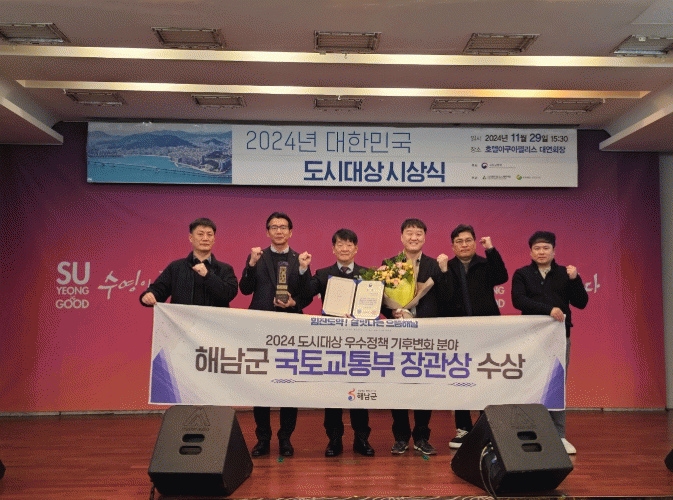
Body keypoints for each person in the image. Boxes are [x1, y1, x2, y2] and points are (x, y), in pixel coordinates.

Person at [239, 212, 312, 457]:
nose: (279, 231)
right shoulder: (257, 257)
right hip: (260, 328)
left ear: (291, 232)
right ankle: (262, 439)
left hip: (289, 329)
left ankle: (285, 439)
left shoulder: (300, 259)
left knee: (287, 385)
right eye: (274, 227)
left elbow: (307, 295)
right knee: (260, 385)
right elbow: (245, 289)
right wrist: (250, 264)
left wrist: (295, 296)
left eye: (283, 227)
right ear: (267, 231)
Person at [511, 231, 588, 455]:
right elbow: (518, 300)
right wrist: (549, 310)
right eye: (537, 248)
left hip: (559, 338)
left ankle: (559, 435)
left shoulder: (565, 273)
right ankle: (530, 431)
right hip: (531, 338)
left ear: (554, 251)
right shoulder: (522, 274)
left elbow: (581, 302)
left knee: (556, 385)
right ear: (530, 252)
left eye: (546, 248)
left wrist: (575, 280)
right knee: (531, 383)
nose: (541, 252)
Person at [302, 228, 375, 457]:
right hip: (332, 342)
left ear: (356, 248)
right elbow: (305, 294)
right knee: (333, 392)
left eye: (349, 244)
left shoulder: (368, 274)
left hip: (359, 343)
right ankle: (334, 440)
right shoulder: (323, 274)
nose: (344, 248)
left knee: (358, 392)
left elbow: (378, 305)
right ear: (333, 249)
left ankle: (361, 439)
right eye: (340, 245)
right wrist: (304, 270)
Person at [437, 224, 508, 449]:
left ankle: (487, 427)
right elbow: (444, 297)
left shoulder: (485, 264)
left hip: (486, 332)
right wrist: (444, 272)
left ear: (475, 243)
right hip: (458, 334)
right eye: (459, 241)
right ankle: (463, 428)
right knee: (461, 379)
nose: (464, 245)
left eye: (468, 240)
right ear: (453, 246)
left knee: (486, 378)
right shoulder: (447, 266)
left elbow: (502, 276)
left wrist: (491, 250)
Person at [383, 218, 449, 456]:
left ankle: (422, 436)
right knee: (398, 386)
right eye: (409, 233)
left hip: (426, 334)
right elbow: (380, 299)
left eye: (419, 233)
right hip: (398, 335)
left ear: (424, 237)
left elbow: (446, 297)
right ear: (402, 237)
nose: (414, 237)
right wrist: (392, 311)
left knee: (424, 386)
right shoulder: (389, 264)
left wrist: (444, 272)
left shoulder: (434, 265)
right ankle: (400, 437)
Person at [139, 217, 238, 308]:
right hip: (182, 322)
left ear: (214, 239)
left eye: (209, 235)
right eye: (200, 234)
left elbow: (229, 294)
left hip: (213, 322)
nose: (205, 238)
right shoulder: (176, 267)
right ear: (191, 238)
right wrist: (149, 295)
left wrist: (208, 276)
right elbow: (158, 291)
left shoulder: (225, 269)